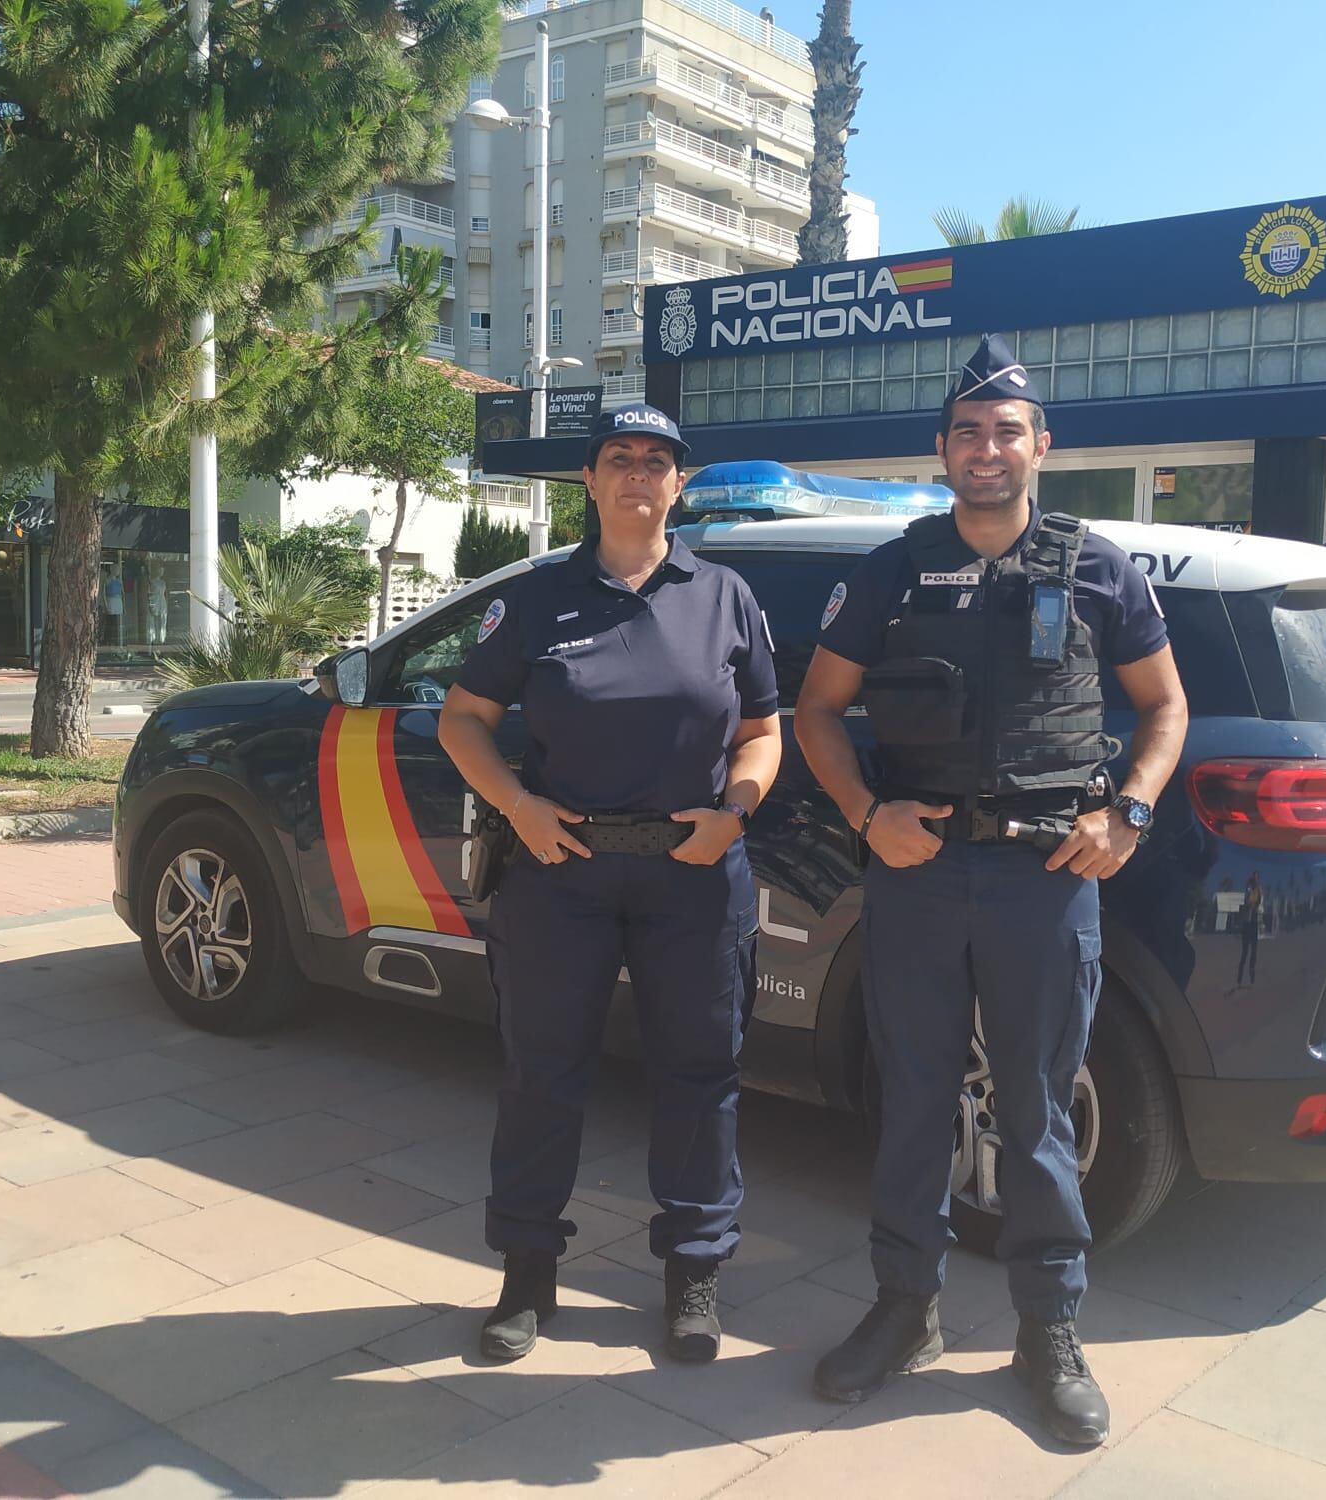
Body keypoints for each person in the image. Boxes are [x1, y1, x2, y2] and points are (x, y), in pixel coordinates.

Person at [792, 334, 1189, 1448]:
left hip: (1043, 877)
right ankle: (902, 1309)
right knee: (913, 1096)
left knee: (1036, 1108)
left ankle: (1045, 1333)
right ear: (941, 449)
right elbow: (815, 712)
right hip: (918, 875)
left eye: (1006, 431)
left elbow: (1163, 710)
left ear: (1039, 448)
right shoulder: (889, 569)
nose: (985, 448)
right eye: (966, 432)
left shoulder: (1097, 565)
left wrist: (1131, 814)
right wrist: (871, 815)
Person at [437, 403, 783, 1366]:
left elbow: (764, 729)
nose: (638, 473)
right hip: (562, 870)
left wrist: (737, 812)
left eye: (657, 460)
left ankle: (694, 1275)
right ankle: (527, 1275)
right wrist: (518, 806)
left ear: (680, 483)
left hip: (694, 872)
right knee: (541, 1074)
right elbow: (464, 718)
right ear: (589, 481)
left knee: (701, 1074)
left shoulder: (724, 597)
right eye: (619, 458)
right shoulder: (540, 598)